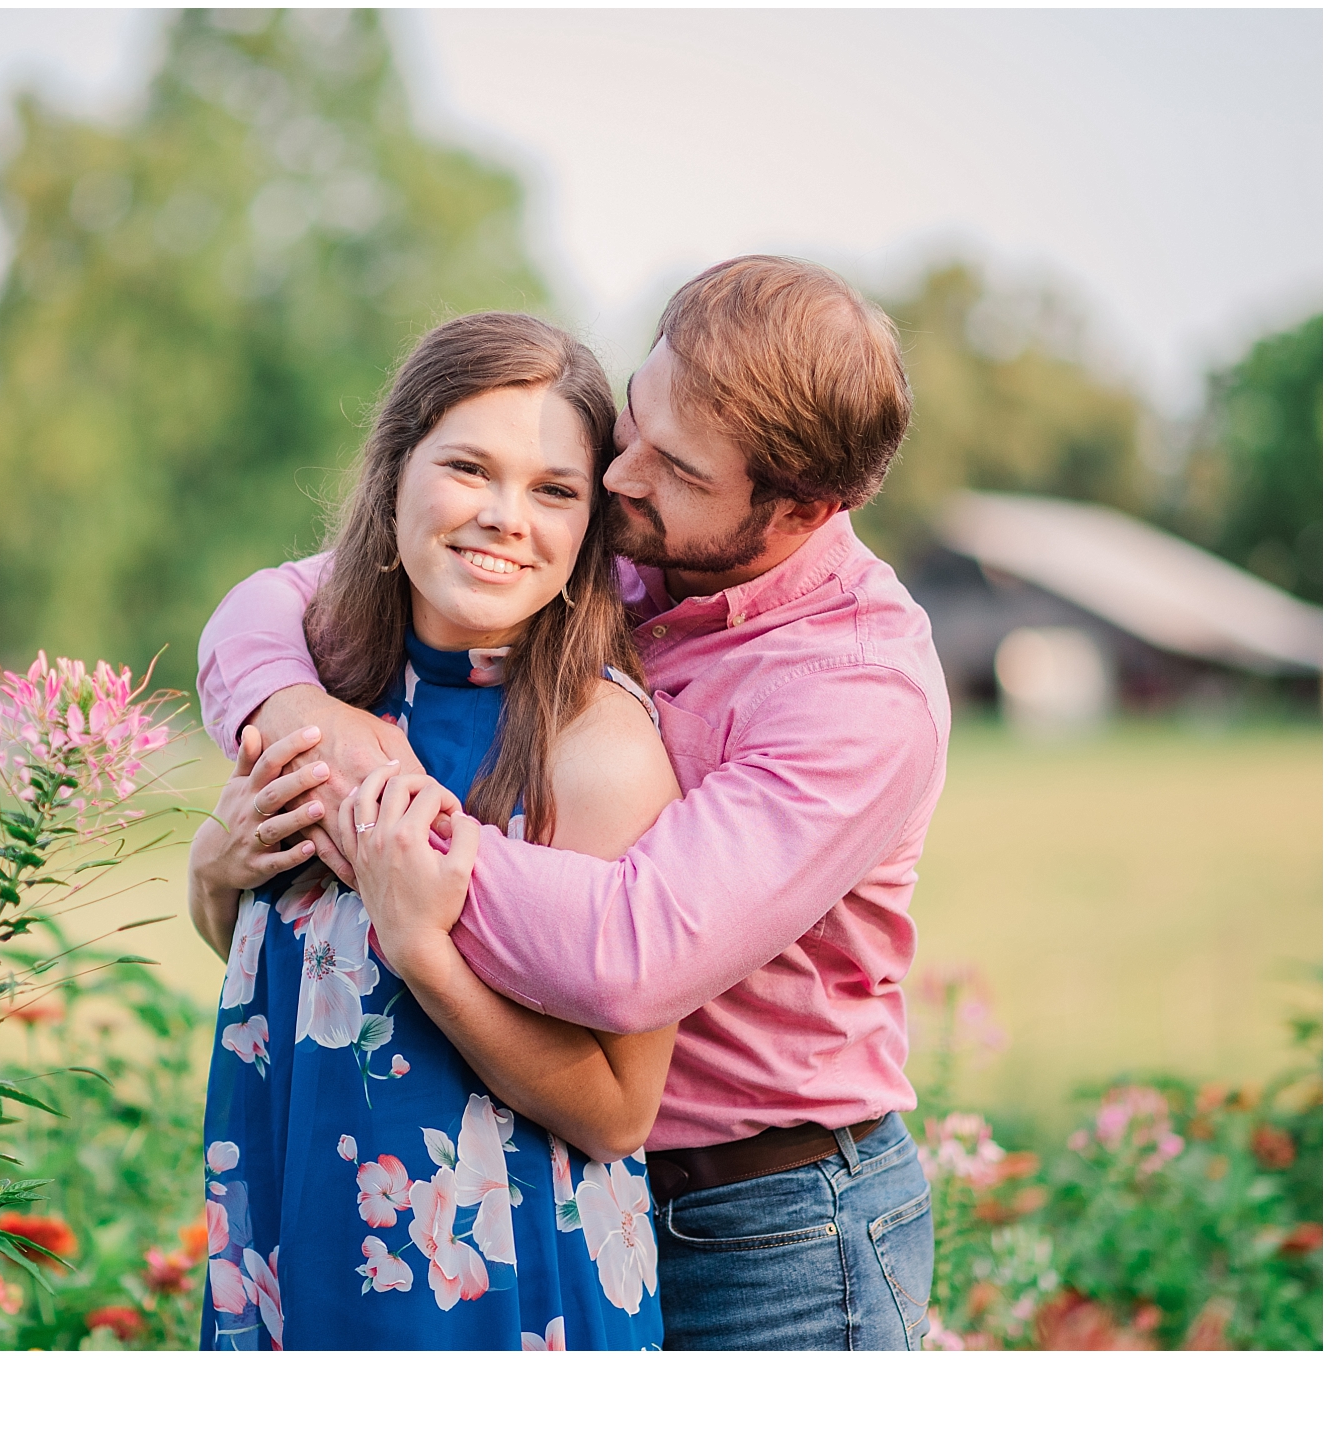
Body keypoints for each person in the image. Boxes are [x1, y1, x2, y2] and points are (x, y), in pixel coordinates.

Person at [196, 256, 950, 1351]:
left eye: (675, 466)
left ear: (800, 508)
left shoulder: (859, 696)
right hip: (551, 1174)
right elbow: (281, 595)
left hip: (777, 1225)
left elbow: (627, 951)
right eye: (634, 419)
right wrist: (288, 708)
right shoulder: (629, 543)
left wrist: (375, 819)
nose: (619, 474)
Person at [185, 312, 681, 1350]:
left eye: (554, 490)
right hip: (299, 1231)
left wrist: (426, 953)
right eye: (470, 468)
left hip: (501, 1284)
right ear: (396, 466)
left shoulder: (596, 746)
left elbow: (617, 1111)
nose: (508, 517)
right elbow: (289, 974)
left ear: (591, 524)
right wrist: (214, 868)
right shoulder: (318, 688)